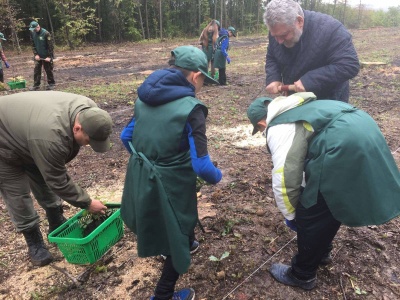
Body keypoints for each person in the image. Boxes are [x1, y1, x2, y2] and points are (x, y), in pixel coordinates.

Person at [247, 93, 400, 290]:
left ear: (262, 121)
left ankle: (302, 274)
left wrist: (292, 215)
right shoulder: (302, 108)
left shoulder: (278, 127)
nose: (262, 133)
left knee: (311, 210)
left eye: (260, 129)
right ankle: (322, 251)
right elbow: (303, 157)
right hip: (365, 129)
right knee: (328, 203)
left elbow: (285, 177)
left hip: (343, 146)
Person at [120, 45, 222, 300]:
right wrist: (218, 177)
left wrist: (148, 161)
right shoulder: (192, 109)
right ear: (196, 76)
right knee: (180, 228)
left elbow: (126, 137)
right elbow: (201, 166)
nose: (202, 88)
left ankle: (186, 243)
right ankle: (163, 294)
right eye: (203, 82)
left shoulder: (144, 98)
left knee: (172, 221)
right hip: (173, 183)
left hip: (141, 173)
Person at [0, 91, 113, 267]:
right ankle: (34, 241)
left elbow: (51, 171)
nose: (89, 145)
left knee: (43, 176)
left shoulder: (89, 110)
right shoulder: (50, 136)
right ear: (77, 128)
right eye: (88, 141)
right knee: (17, 193)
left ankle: (56, 221)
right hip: (4, 143)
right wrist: (88, 202)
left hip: (29, 135)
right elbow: (57, 179)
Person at [263, 0, 360, 102]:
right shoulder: (278, 31)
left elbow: (349, 64)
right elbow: (272, 55)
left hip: (329, 101)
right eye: (275, 36)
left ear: (299, 21)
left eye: (284, 35)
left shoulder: (331, 29)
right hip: (294, 100)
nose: (279, 41)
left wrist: (311, 80)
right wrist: (273, 77)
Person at [29, 21, 56, 91]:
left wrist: (49, 56)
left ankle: (51, 84)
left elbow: (51, 46)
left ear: (38, 26)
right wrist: (36, 54)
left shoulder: (46, 33)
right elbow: (33, 45)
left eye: (35, 29)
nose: (34, 30)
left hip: (46, 56)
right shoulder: (33, 33)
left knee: (48, 70)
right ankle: (36, 85)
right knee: (36, 70)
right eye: (33, 29)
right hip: (38, 56)